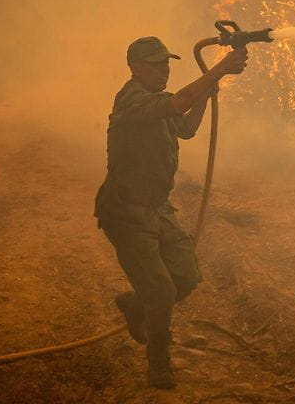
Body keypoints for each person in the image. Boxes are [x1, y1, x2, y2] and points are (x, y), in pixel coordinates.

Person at [94, 36, 248, 389]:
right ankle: (159, 367)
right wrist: (220, 69)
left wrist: (209, 92)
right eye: (156, 64)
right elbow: (179, 103)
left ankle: (136, 304)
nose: (164, 70)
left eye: (167, 63)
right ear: (136, 68)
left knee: (186, 276)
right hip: (126, 212)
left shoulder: (158, 105)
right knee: (161, 292)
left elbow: (188, 127)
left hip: (155, 207)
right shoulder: (133, 100)